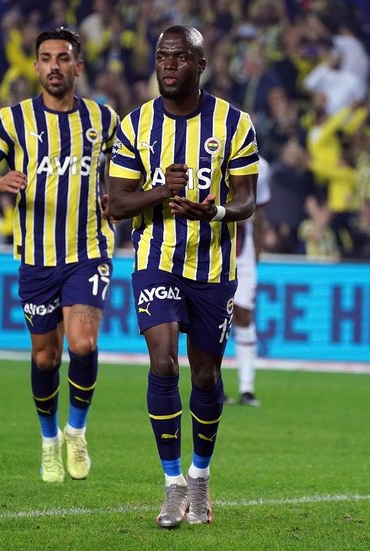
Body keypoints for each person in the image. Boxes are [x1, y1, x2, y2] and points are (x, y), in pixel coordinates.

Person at [108, 25, 258, 528]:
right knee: (164, 362)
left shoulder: (234, 123)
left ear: (201, 65)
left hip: (213, 267)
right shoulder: (135, 125)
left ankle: (200, 476)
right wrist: (159, 192)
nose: (168, 65)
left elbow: (246, 199)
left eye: (179, 57)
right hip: (156, 257)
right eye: (161, 57)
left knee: (206, 376)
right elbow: (115, 205)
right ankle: (173, 485)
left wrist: (215, 213)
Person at [0, 27, 119, 483]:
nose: (55, 65)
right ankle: (49, 440)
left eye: (64, 57)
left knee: (83, 344)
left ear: (78, 66)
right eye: (47, 58)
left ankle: (77, 431)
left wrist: (116, 195)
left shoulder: (104, 119)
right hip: (36, 257)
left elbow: (127, 168)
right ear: (35, 67)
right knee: (45, 358)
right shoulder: (13, 120)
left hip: (89, 250)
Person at [228, 155, 271, 407]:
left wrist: (257, 250)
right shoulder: (205, 153)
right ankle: (212, 386)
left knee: (243, 313)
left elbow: (260, 212)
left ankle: (247, 387)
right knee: (209, 317)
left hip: (242, 248)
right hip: (207, 244)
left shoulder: (260, 166)